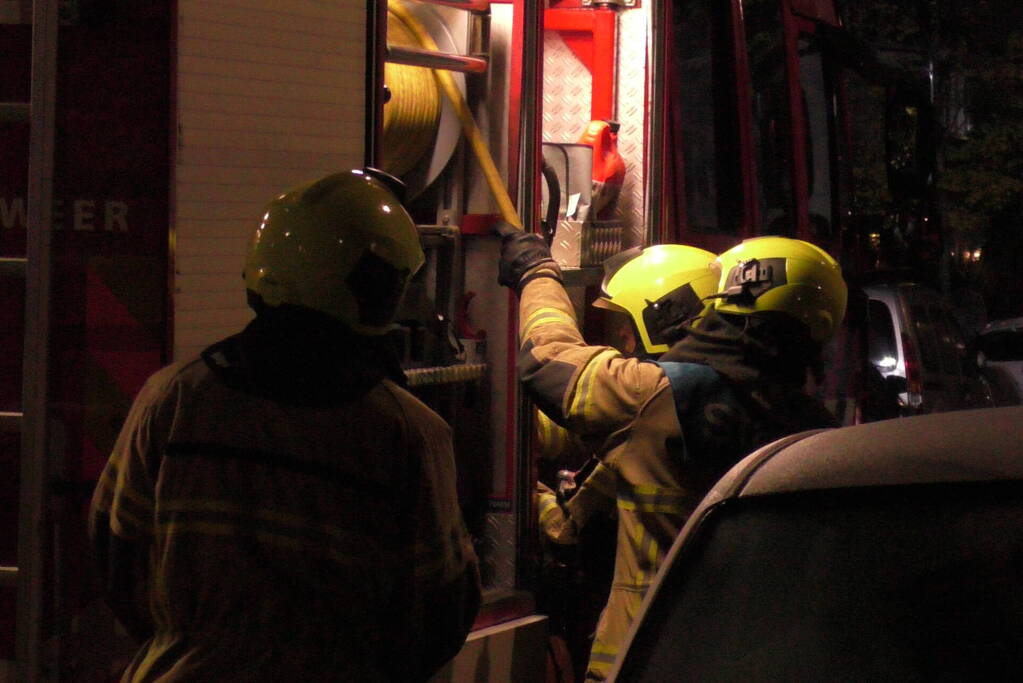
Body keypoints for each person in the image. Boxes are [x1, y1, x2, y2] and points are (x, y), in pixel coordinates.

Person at [89, 169, 481, 682]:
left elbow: (115, 553)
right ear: (375, 286)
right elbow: (441, 610)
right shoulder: (406, 433)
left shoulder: (172, 399)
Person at [499, 227, 846, 681]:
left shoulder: (662, 395)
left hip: (646, 659)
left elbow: (548, 359)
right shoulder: (818, 438)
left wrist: (538, 273)